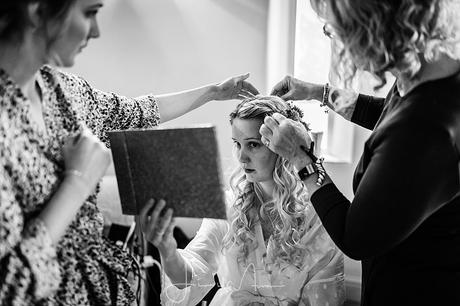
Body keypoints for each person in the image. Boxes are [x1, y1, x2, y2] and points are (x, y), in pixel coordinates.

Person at [0, 0, 259, 305]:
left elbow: (137, 111)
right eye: (89, 13)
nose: (96, 31)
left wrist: (212, 93)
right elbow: (10, 284)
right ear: (36, 10)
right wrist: (78, 183)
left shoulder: (66, 91)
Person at [260, 0, 460, 305]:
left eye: (333, 25)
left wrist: (301, 157)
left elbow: (354, 237)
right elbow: (389, 113)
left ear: (370, 28)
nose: (328, 32)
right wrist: (320, 93)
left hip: (416, 288)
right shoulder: (430, 71)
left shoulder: (425, 129)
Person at [141, 96, 345, 306]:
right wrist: (167, 250)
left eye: (253, 145)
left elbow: (324, 297)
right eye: (237, 144)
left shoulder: (316, 215)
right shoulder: (228, 205)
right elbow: (190, 277)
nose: (241, 157)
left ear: (282, 146)